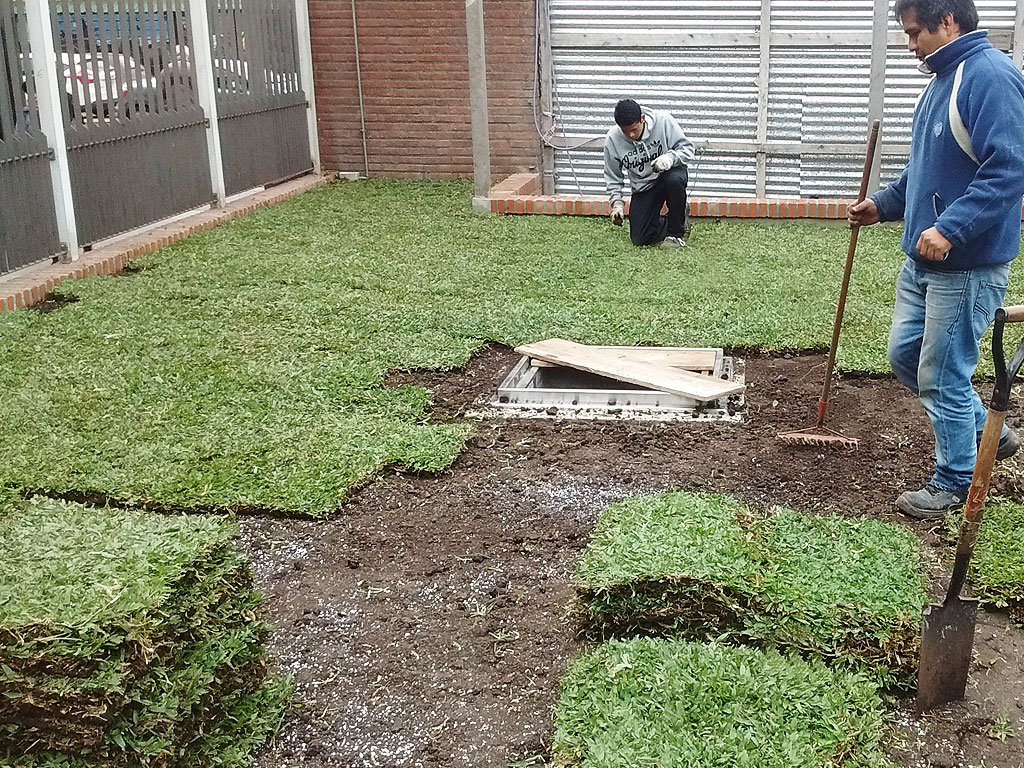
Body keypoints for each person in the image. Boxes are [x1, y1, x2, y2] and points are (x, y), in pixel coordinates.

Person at [848, 0, 1024, 519]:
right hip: (923, 262)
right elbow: (924, 170)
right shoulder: (941, 80)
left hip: (966, 264)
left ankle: (953, 481)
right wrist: (882, 203)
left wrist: (951, 227)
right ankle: (986, 430)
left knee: (944, 373)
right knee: (907, 356)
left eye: (914, 32)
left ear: (947, 22)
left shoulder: (989, 76)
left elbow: (1011, 169)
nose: (909, 45)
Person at [603, 99, 695, 248]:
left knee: (675, 180)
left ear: (642, 119)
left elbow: (687, 149)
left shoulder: (663, 121)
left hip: (668, 175)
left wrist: (669, 159)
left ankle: (676, 235)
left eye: (634, 129)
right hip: (644, 186)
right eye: (626, 132)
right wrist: (617, 204)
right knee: (640, 238)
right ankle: (678, 217)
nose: (631, 135)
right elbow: (613, 175)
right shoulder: (612, 139)